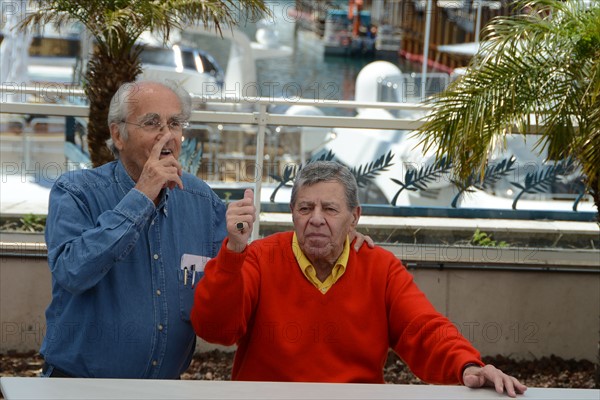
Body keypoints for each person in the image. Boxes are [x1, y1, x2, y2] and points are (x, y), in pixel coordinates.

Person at [191, 161, 528, 397]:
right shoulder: (259, 258)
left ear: (354, 217)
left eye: (331, 209)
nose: (317, 220)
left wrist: (466, 366)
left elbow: (424, 329)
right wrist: (234, 251)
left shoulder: (379, 267)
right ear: (292, 213)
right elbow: (215, 330)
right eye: (305, 209)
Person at [40, 80, 228, 378]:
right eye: (152, 123)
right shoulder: (76, 191)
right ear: (118, 135)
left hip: (164, 387)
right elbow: (71, 271)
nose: (167, 135)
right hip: (79, 387)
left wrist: (241, 247)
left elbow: (226, 292)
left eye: (175, 123)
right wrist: (142, 196)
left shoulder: (203, 201)